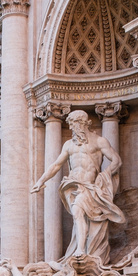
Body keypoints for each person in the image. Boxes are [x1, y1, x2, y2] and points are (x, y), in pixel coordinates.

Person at [32, 110, 125, 265]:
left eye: (74, 124)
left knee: (77, 212)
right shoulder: (68, 145)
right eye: (70, 125)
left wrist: (105, 176)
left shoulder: (99, 141)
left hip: (90, 187)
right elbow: (56, 165)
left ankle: (80, 249)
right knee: (78, 216)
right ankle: (81, 248)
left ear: (82, 123)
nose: (72, 128)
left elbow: (116, 160)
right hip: (73, 186)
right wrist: (40, 181)